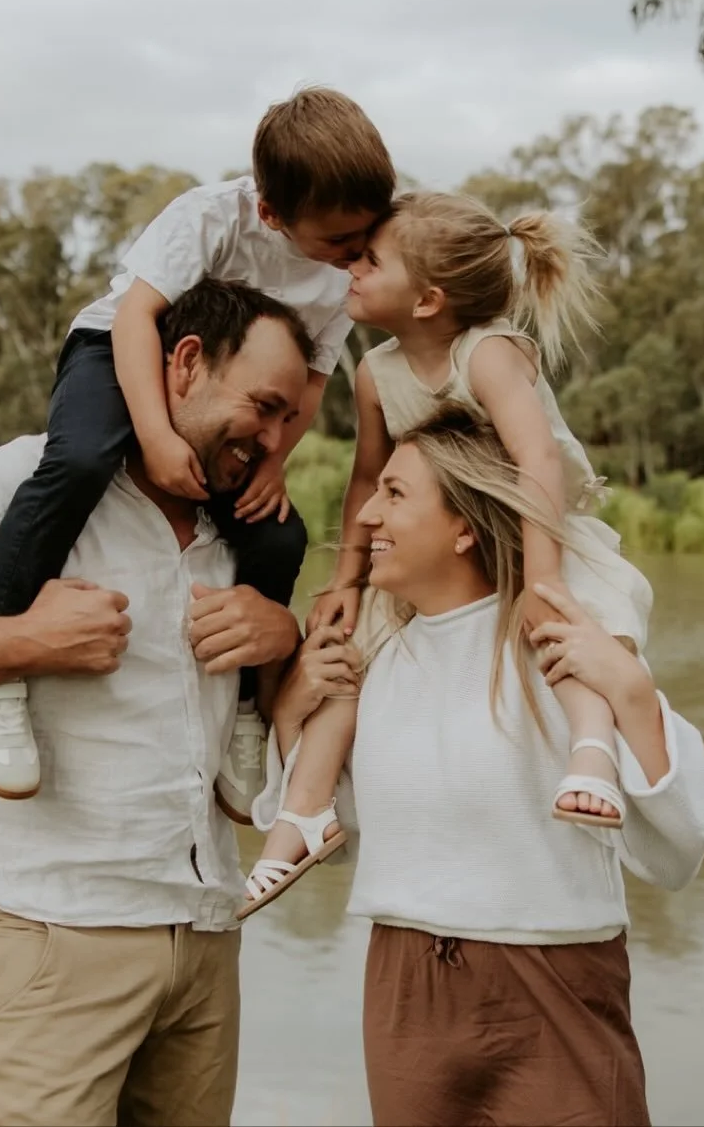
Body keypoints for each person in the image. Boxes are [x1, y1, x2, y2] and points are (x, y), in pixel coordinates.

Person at [0, 279, 314, 1127]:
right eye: (262, 408)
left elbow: (281, 730)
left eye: (290, 419)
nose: (274, 440)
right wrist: (20, 641)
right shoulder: (11, 485)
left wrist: (282, 638)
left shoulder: (249, 526)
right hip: (52, 936)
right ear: (185, 364)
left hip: (206, 933)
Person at [262, 408, 704, 1126]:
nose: (367, 516)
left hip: (551, 989)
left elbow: (678, 852)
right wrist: (292, 713)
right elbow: (339, 834)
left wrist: (631, 692)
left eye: (395, 494)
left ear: (464, 528)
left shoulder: (562, 642)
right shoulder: (379, 662)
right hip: (405, 993)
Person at [0, 85, 395, 808]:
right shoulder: (210, 217)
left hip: (231, 394)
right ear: (271, 213)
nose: (356, 256)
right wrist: (155, 435)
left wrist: (274, 461)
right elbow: (137, 319)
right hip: (121, 348)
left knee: (278, 533)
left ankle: (246, 706)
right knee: (83, 460)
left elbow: (312, 382)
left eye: (366, 238)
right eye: (341, 242)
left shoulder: (341, 273)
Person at [241, 189, 655, 911]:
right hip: (448, 538)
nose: (352, 267)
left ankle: (592, 751)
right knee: (351, 651)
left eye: (371, 259)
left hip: (536, 524)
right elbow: (367, 478)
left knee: (577, 624)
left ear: (428, 300)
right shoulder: (375, 374)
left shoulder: (487, 354)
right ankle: (302, 814)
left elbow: (536, 459)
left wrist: (543, 576)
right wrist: (346, 580)